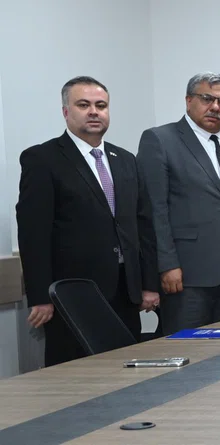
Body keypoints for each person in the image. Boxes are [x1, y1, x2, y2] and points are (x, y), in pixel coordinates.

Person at [17, 76, 160, 366]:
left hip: (125, 290)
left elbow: (143, 226)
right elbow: (33, 234)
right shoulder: (43, 159)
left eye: (101, 105)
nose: (94, 112)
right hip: (72, 294)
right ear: (65, 111)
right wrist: (40, 296)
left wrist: (148, 284)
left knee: (125, 369)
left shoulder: (126, 159)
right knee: (76, 374)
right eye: (83, 105)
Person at [136, 72, 220, 334]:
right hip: (187, 274)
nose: (215, 107)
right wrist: (166, 265)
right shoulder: (160, 140)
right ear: (189, 101)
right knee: (190, 347)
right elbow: (155, 210)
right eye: (207, 99)